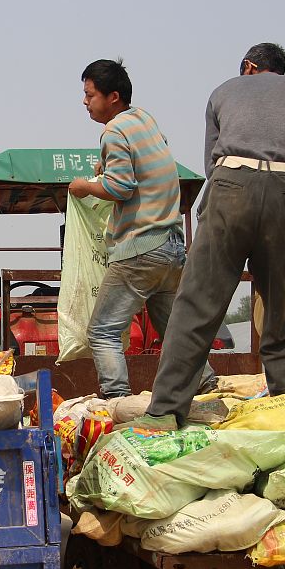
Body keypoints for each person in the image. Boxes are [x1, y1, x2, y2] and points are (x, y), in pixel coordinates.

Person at [139, 43, 285, 429]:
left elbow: (212, 166)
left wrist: (213, 215)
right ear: (280, 72)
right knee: (280, 309)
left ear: (248, 67)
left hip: (230, 188)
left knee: (196, 305)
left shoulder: (222, 92)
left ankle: (164, 413)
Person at [68, 59, 215, 399]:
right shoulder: (144, 120)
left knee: (103, 331)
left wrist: (87, 186)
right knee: (174, 329)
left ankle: (118, 402)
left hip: (141, 248)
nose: (85, 102)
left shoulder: (113, 131)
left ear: (113, 97)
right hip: (172, 247)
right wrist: (107, 168)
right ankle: (206, 384)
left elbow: (120, 188)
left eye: (90, 95)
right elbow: (146, 160)